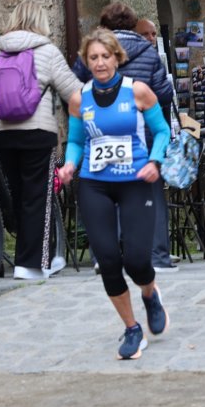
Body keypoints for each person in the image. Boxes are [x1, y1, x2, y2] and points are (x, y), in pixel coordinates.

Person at [57, 28, 172, 360]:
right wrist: (69, 166)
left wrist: (155, 161)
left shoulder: (138, 92)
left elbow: (162, 131)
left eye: (105, 56)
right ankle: (132, 328)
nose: (99, 63)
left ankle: (150, 294)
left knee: (136, 260)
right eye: (93, 58)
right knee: (107, 260)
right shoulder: (80, 98)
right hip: (95, 183)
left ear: (116, 58)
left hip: (136, 180)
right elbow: (77, 141)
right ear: (86, 62)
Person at [0, 0, 81, 280]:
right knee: (38, 197)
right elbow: (73, 92)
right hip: (37, 134)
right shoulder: (47, 51)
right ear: (41, 21)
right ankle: (31, 264)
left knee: (19, 195)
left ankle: (27, 259)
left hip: (1, 134)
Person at [74, 3, 177, 272]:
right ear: (133, 24)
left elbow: (77, 90)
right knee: (149, 196)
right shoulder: (148, 51)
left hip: (100, 136)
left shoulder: (91, 53)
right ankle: (157, 256)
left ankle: (104, 257)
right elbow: (165, 93)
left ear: (104, 26)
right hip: (142, 136)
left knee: (105, 196)